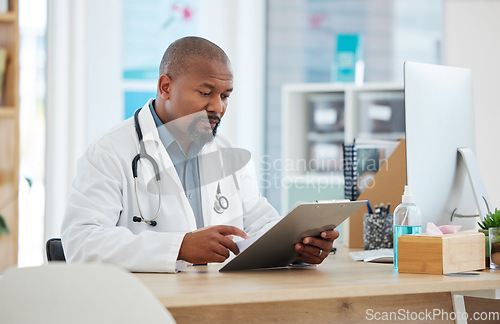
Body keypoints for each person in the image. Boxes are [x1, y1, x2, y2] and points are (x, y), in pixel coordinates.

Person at [61, 36, 339, 272]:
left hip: (217, 302)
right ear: (165, 87)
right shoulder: (109, 152)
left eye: (225, 95)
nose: (217, 107)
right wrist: (179, 247)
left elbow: (258, 221)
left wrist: (299, 245)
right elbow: (82, 242)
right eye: (206, 92)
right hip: (143, 306)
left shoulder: (227, 152)